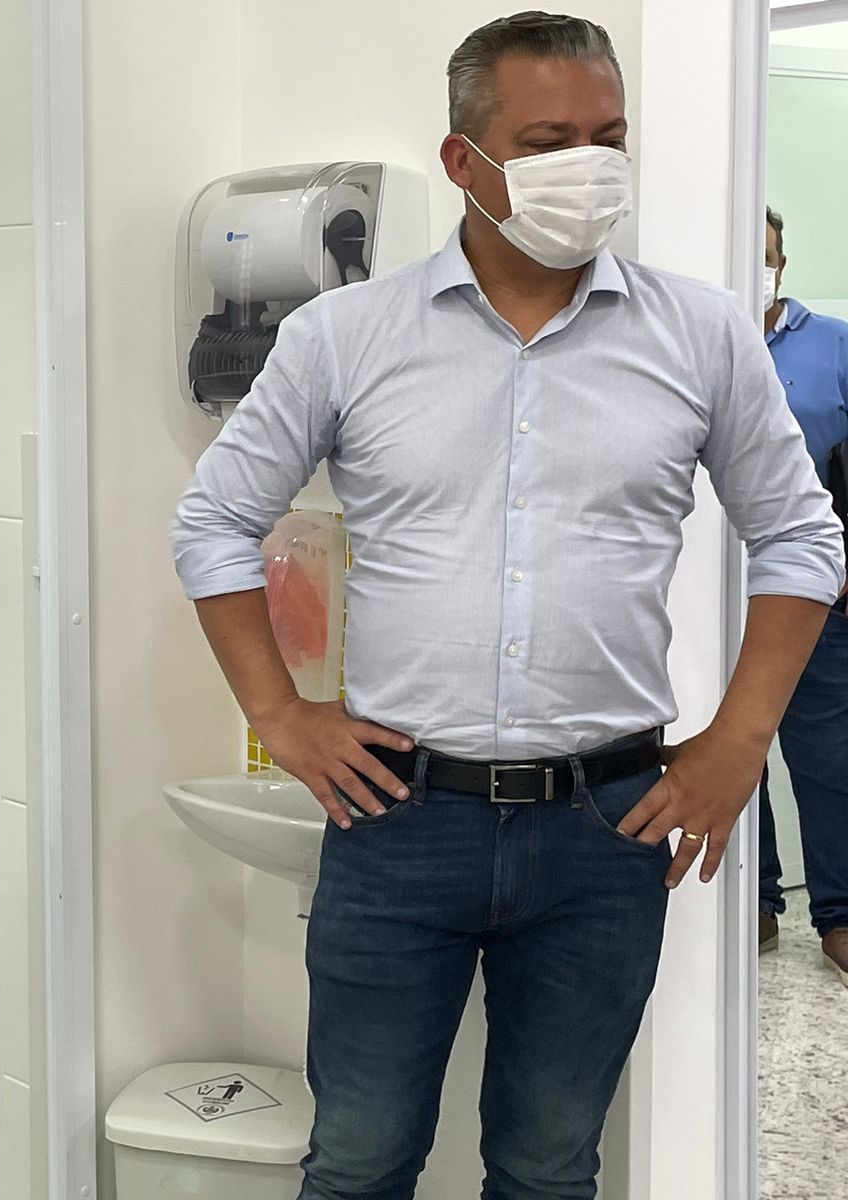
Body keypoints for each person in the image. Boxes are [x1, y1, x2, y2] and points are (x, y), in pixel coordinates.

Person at [172, 12, 846, 1200]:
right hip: (397, 814)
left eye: (607, 138)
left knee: (548, 1168)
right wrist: (281, 715)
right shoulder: (345, 336)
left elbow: (800, 535)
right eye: (546, 142)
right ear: (462, 159)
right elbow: (212, 522)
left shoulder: (701, 334)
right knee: (358, 1159)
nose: (588, 167)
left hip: (605, 823)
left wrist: (740, 739)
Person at [755, 205, 848, 982]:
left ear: (782, 263)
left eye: (768, 255)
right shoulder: (699, 340)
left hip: (819, 589)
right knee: (731, 745)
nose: (756, 267)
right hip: (712, 594)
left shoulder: (835, 346)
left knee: (828, 756)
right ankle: (752, 904)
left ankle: (841, 914)